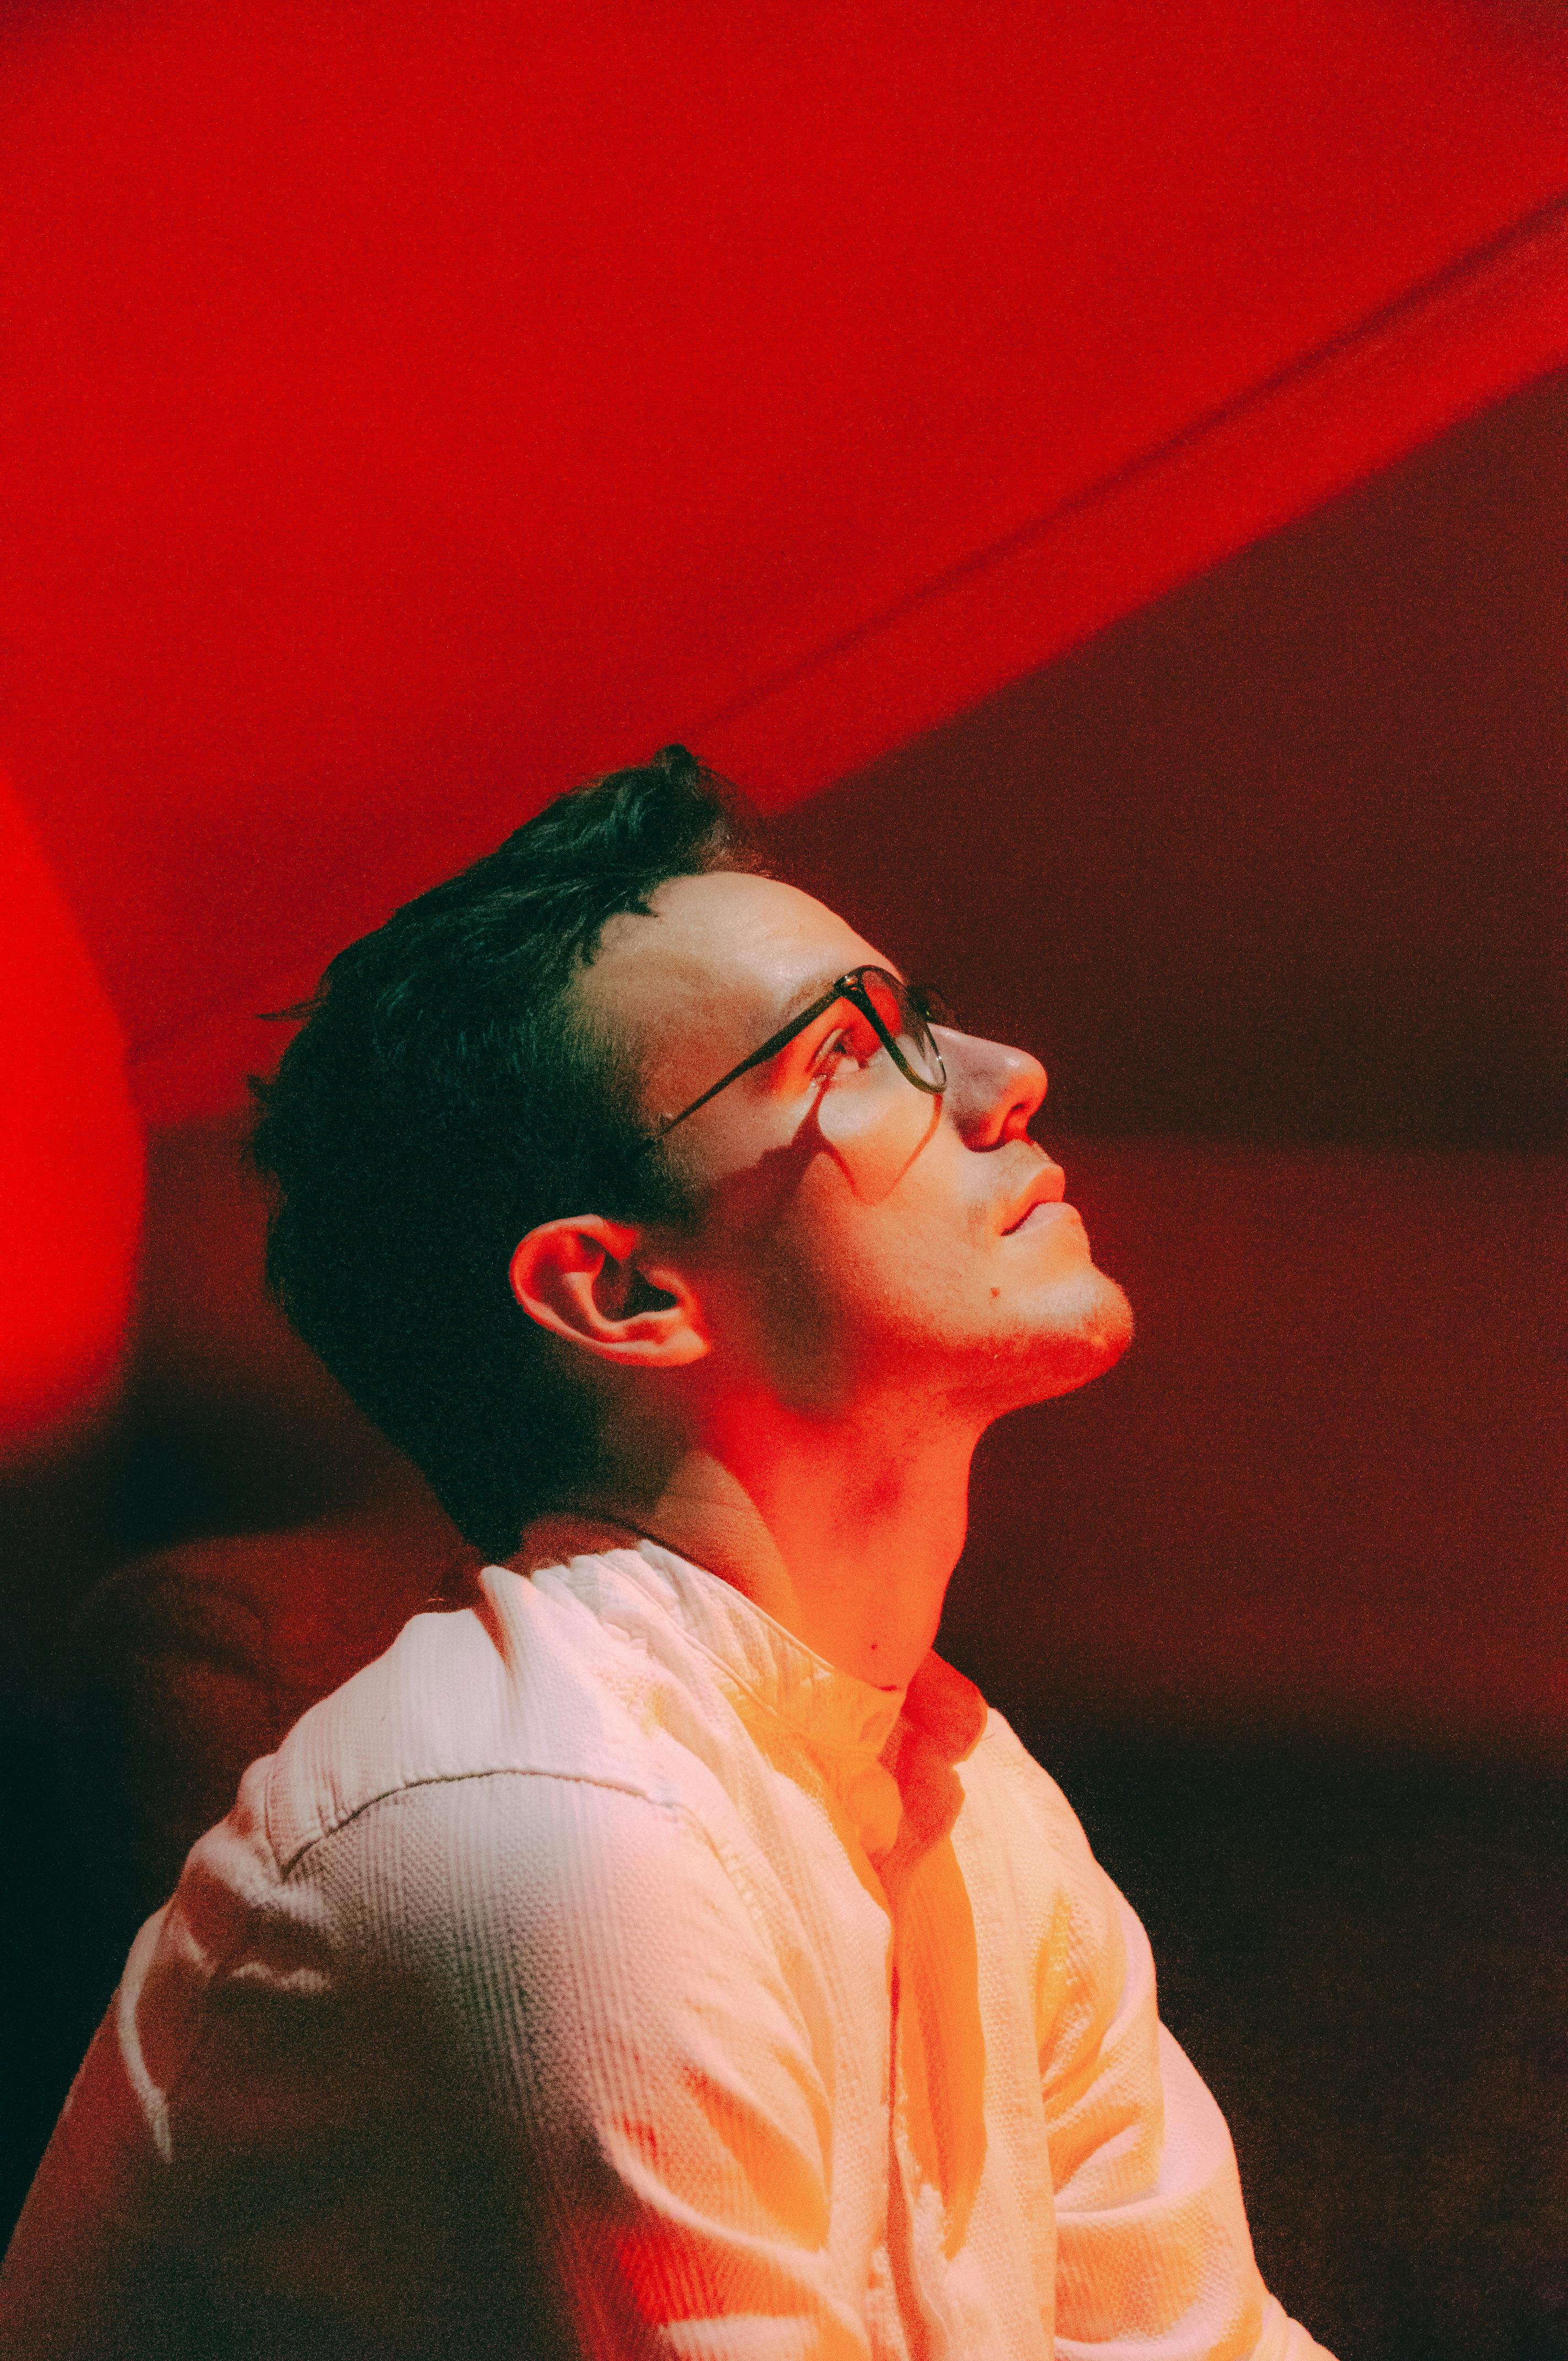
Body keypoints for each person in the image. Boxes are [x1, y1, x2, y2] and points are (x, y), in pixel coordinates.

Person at [2, 747, 1333, 2358]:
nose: (1006, 1075)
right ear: (625, 1295)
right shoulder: (549, 1845)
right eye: (852, 1050)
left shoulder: (973, 1798)